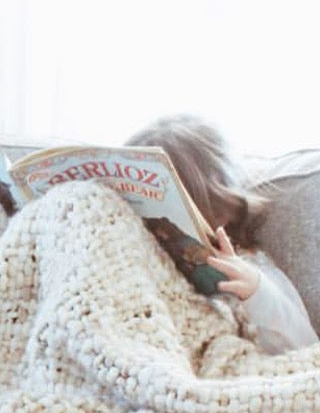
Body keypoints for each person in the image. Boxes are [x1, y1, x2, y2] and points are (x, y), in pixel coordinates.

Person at [126, 115, 317, 355]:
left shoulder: (250, 266)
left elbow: (304, 349)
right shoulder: (136, 254)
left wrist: (257, 292)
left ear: (223, 209)